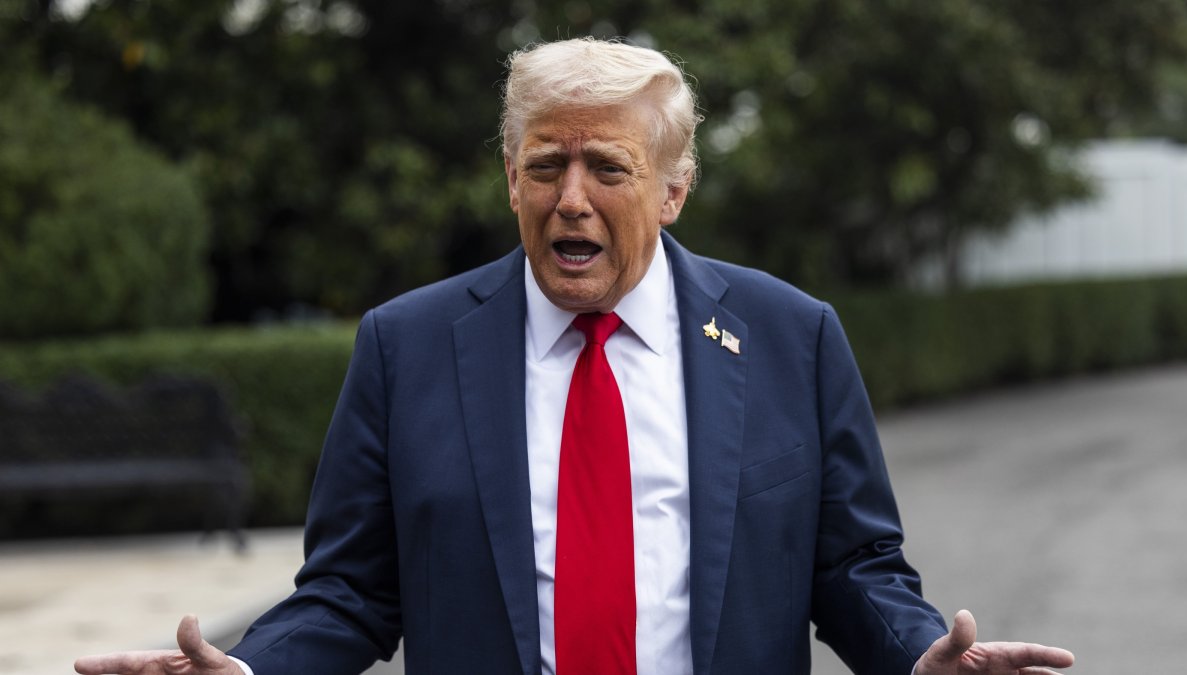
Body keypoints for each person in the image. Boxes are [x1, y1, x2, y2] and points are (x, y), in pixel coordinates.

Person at [75, 38, 1075, 675]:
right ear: (511, 179)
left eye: (609, 168)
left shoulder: (790, 336)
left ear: (674, 189)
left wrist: (921, 659)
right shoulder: (406, 347)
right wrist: (251, 672)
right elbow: (349, 589)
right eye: (546, 166)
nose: (572, 199)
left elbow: (855, 568)